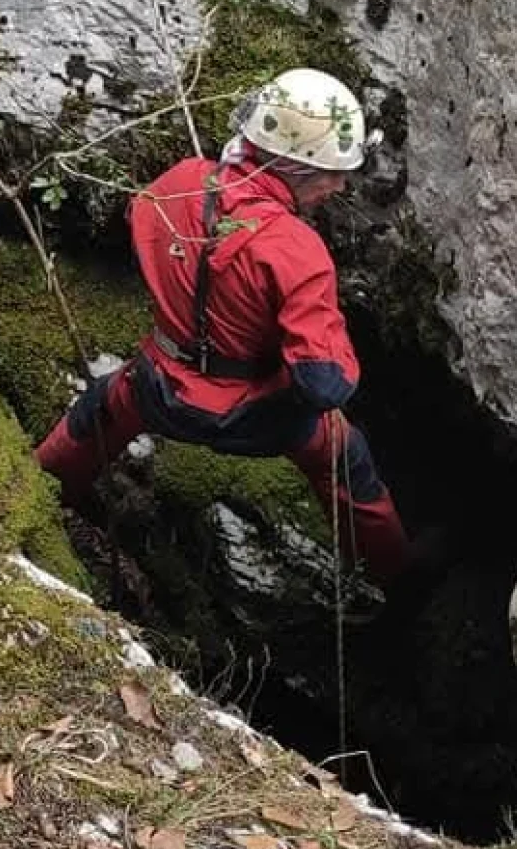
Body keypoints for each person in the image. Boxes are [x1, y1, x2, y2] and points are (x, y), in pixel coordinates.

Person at [36, 68, 425, 592]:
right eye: (330, 173)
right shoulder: (296, 250)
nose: (338, 186)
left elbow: (138, 221)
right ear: (293, 168)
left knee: (103, 406)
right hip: (256, 415)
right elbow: (324, 383)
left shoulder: (174, 185)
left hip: (161, 388)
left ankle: (40, 490)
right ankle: (397, 578)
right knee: (344, 456)